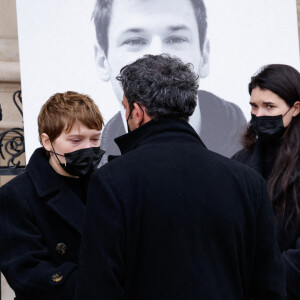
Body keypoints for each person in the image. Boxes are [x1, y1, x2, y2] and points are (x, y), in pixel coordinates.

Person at [76, 54, 285, 299]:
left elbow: (98, 288)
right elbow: (268, 287)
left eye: (125, 108)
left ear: (137, 112)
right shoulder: (248, 183)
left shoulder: (112, 181)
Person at [92, 0, 247, 161]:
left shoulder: (262, 166)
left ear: (205, 57)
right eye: (134, 41)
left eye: (176, 39)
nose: (158, 54)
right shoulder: (90, 180)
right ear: (102, 61)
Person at [0, 91, 104, 300]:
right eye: (76, 140)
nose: (88, 148)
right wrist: (100, 283)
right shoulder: (16, 195)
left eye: (94, 139)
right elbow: (26, 273)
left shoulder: (107, 186)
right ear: (47, 142)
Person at [232, 64, 300, 299]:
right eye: (254, 106)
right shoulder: (240, 163)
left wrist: (267, 282)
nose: (259, 115)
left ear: (296, 108)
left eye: (269, 106)